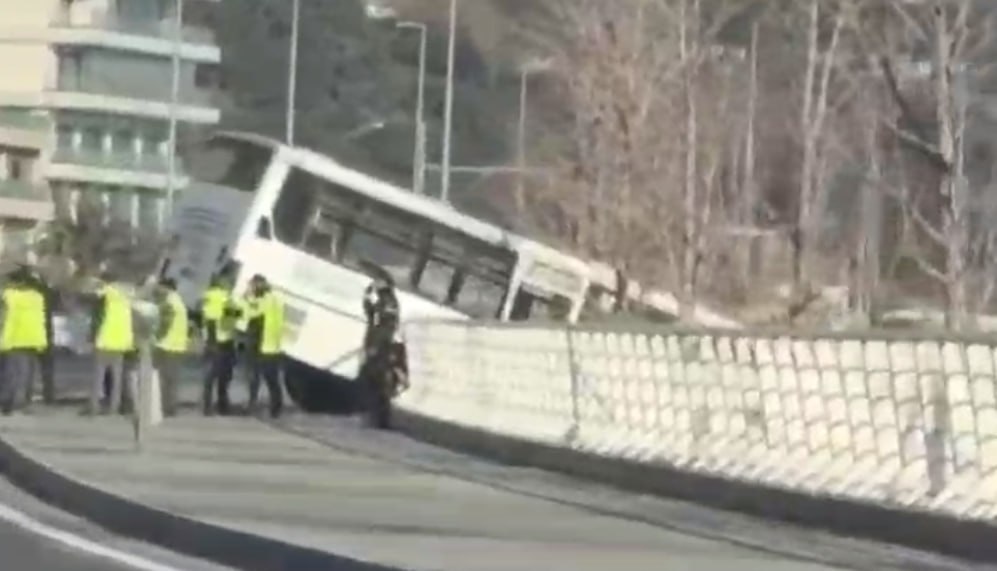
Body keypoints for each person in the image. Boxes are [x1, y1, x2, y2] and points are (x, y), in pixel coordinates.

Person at [0, 267, 47, 415]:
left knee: (12, 373)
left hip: (15, 339)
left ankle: (10, 403)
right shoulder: (38, 297)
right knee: (27, 374)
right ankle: (24, 402)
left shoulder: (10, 296)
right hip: (33, 338)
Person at [360, 276, 405, 429]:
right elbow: (371, 316)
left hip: (379, 347)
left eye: (376, 288)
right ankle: (374, 415)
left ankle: (379, 418)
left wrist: (376, 347)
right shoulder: (384, 302)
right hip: (374, 343)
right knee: (370, 381)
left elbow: (386, 326)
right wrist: (366, 298)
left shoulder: (389, 303)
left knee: (375, 381)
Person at [90, 272, 134, 416]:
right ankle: (114, 408)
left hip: (104, 341)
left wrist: (92, 336)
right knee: (117, 378)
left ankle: (94, 407)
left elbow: (97, 316)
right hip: (121, 343)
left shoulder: (106, 294)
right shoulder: (127, 298)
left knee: (98, 377)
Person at [246, 275, 283, 418]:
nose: (253, 288)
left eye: (254, 285)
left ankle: (275, 409)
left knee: (269, 379)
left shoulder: (267, 299)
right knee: (273, 381)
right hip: (274, 345)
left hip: (267, 346)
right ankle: (275, 409)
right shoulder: (276, 298)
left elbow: (254, 312)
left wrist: (249, 297)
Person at [200, 275, 237, 415]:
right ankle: (217, 407)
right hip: (219, 342)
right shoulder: (218, 297)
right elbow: (212, 320)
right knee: (220, 377)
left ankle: (211, 406)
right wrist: (212, 342)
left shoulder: (211, 297)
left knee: (214, 377)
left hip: (218, 341)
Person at [154, 278, 188, 417]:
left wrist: (156, 337)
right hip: (177, 346)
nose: (158, 290)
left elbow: (165, 324)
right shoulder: (178, 301)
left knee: (164, 379)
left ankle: (165, 407)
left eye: (160, 287)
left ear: (166, 288)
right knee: (172, 380)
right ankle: (171, 408)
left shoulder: (169, 302)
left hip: (167, 345)